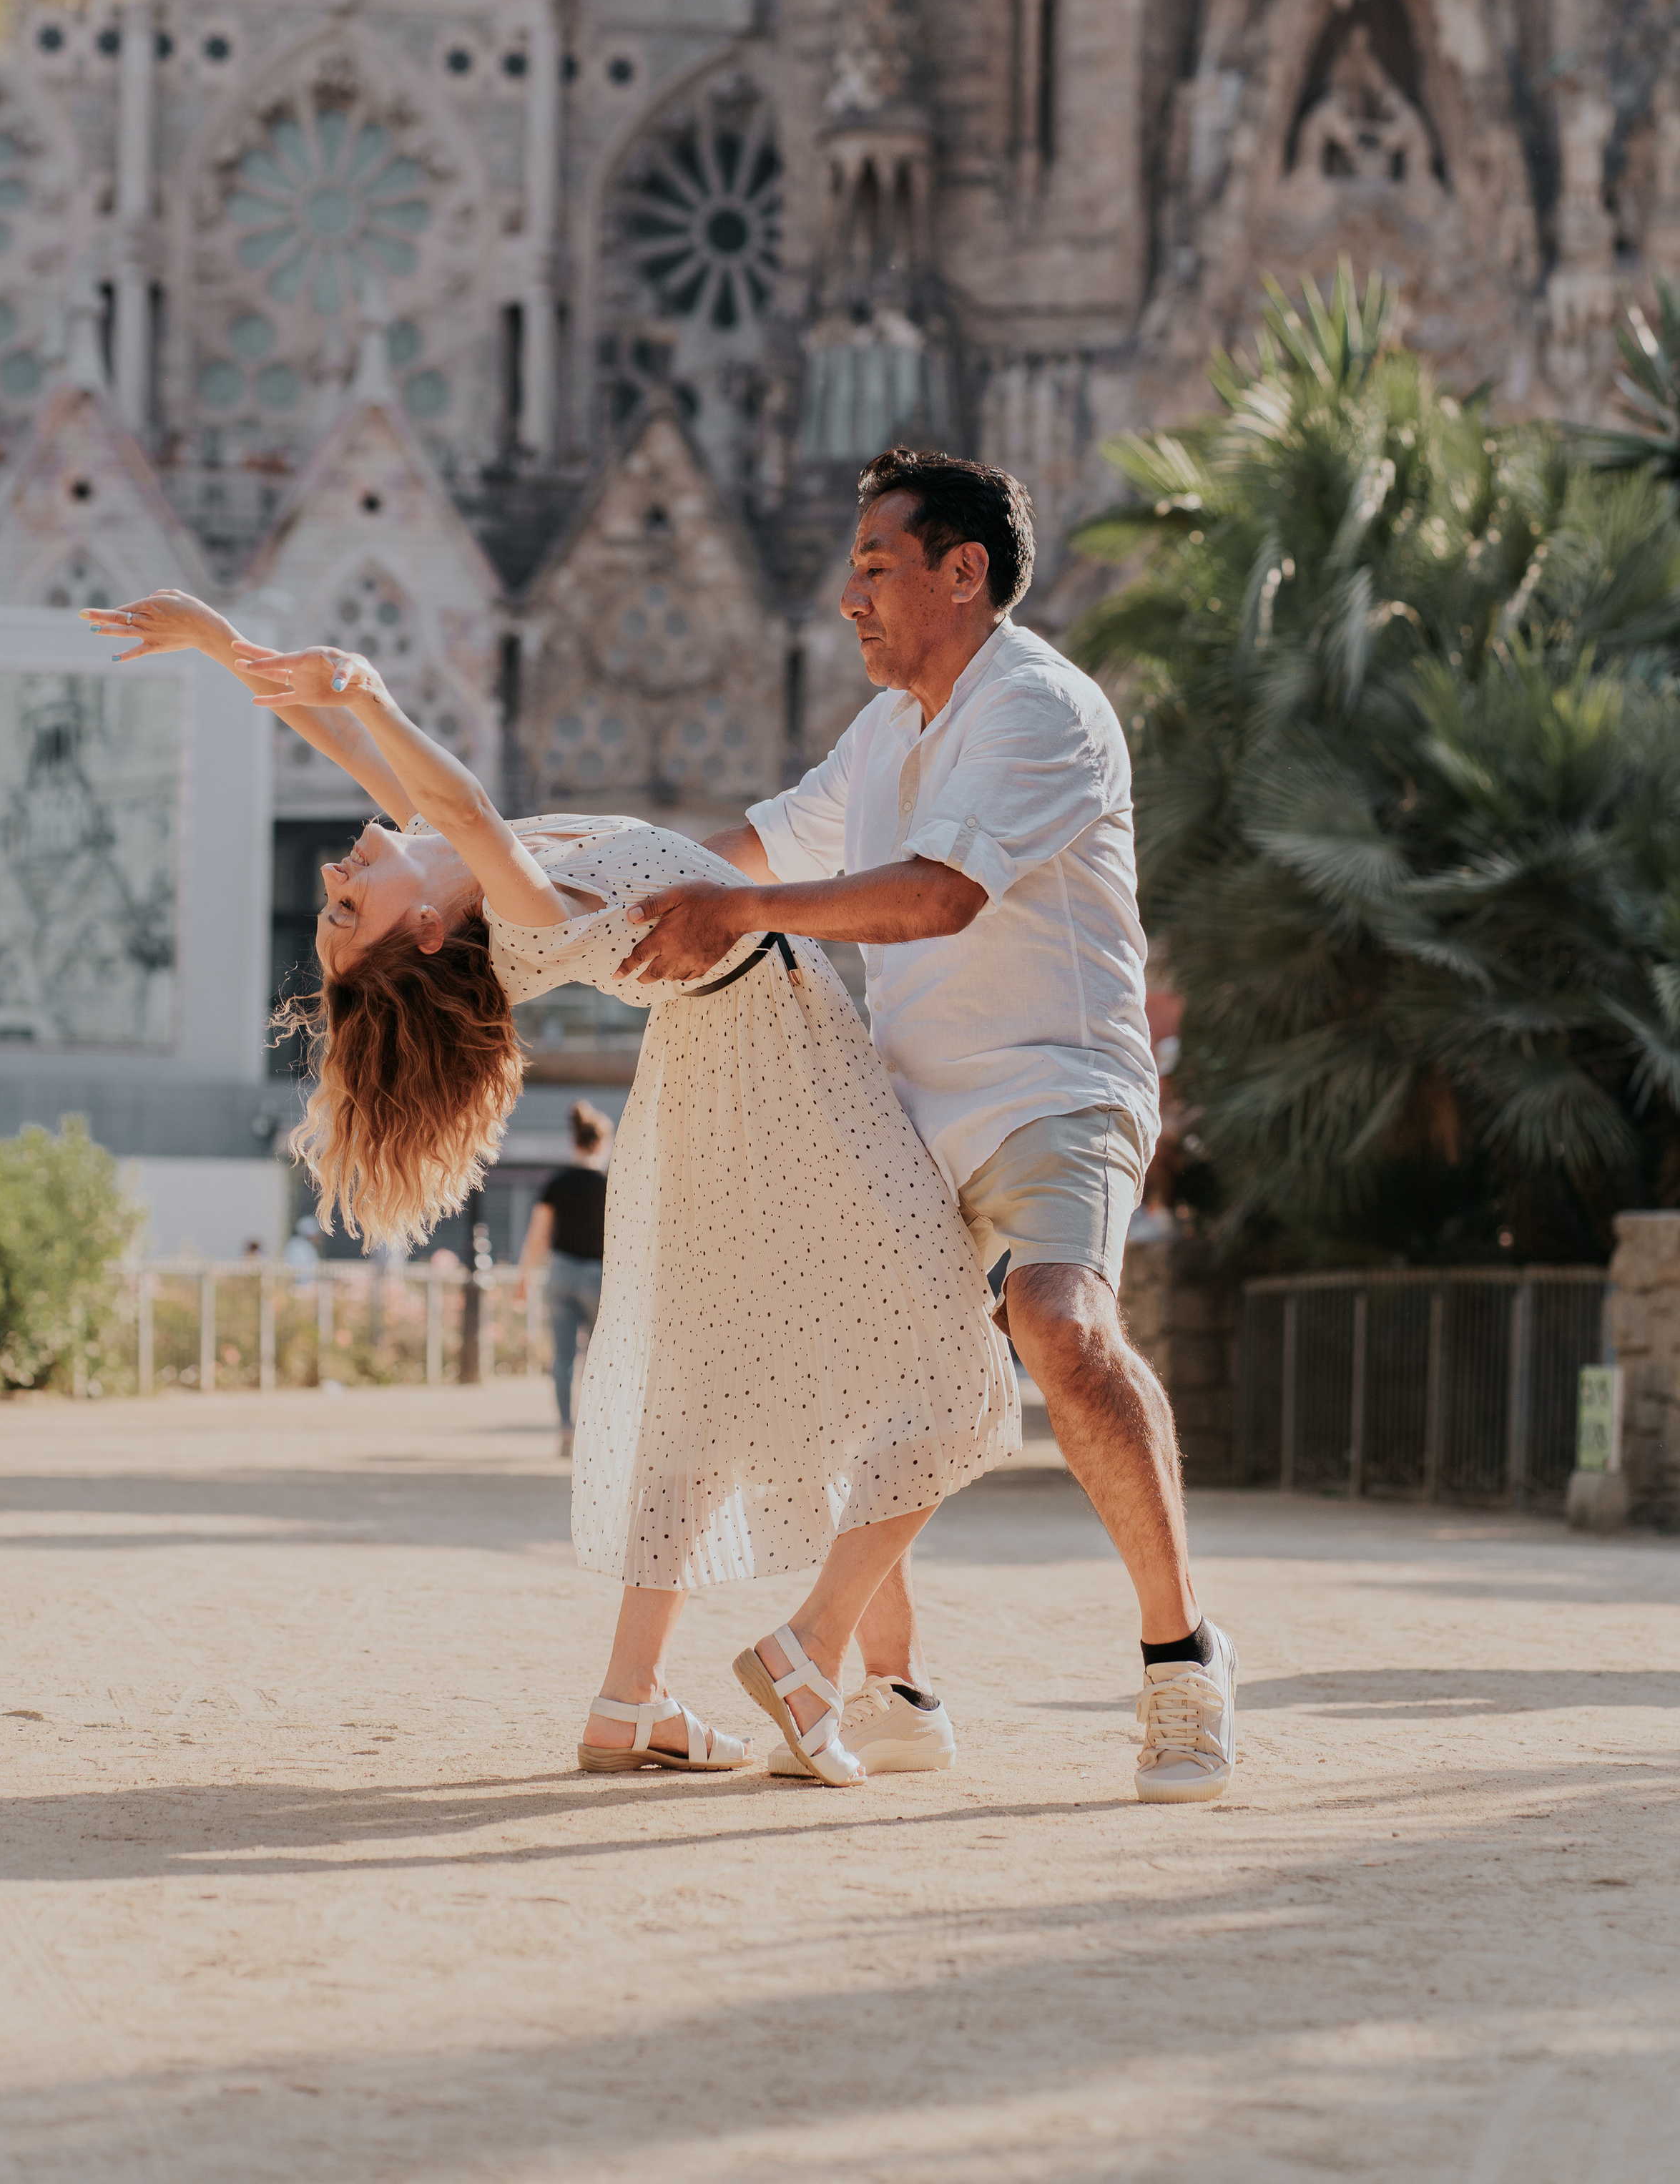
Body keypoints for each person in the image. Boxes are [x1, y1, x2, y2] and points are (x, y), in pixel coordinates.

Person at [83, 587, 1020, 1786]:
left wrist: (220, 644)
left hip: (725, 1090)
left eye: (328, 906)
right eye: (347, 913)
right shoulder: (524, 906)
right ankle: (809, 1657)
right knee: (949, 1368)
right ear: (421, 930)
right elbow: (447, 794)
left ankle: (651, 1698)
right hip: (783, 1087)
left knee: (768, 1388)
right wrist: (366, 682)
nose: (334, 880)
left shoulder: (462, 878)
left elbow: (353, 751)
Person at [620, 448, 1239, 1803]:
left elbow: (936, 898)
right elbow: (744, 849)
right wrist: (539, 878)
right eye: (851, 569)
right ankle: (894, 1697)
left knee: (1065, 1337)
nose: (849, 598)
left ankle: (1183, 1663)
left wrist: (736, 913)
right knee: (873, 1385)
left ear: (965, 574)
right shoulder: (888, 729)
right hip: (904, 1100)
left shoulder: (1041, 710)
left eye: (876, 567)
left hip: (1051, 1083)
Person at [514, 1100, 613, 1459]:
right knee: (604, 1359)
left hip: (560, 1273)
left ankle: (566, 1430)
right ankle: (599, 1429)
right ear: (602, 1143)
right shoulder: (611, 1184)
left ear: (574, 1142)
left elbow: (537, 1236)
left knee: (563, 1360)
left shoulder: (557, 1183)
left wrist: (524, 1277)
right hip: (598, 1275)